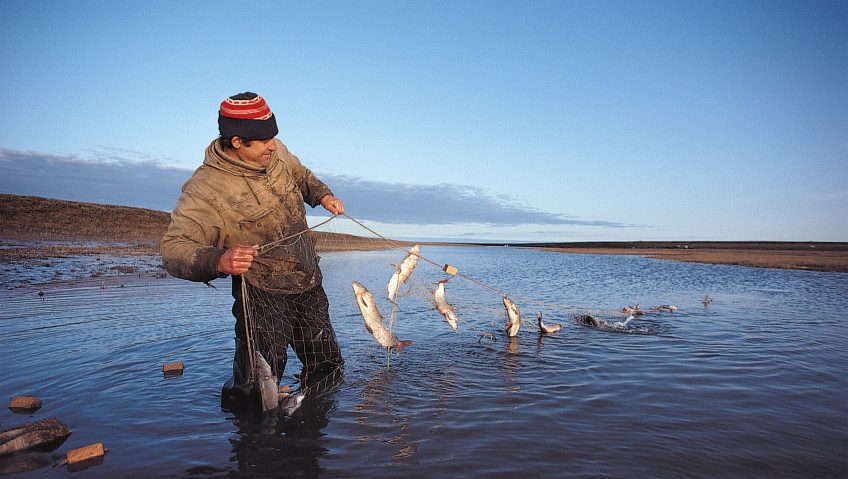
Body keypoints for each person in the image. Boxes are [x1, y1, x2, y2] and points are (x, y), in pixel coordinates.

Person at [161, 91, 345, 409]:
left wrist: (322, 195)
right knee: (258, 390)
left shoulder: (274, 150)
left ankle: (312, 439)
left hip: (307, 280)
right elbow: (173, 249)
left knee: (328, 367)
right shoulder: (205, 189)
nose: (273, 146)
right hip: (261, 294)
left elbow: (302, 177)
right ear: (237, 142)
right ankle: (254, 447)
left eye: (273, 137)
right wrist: (218, 259)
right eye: (263, 141)